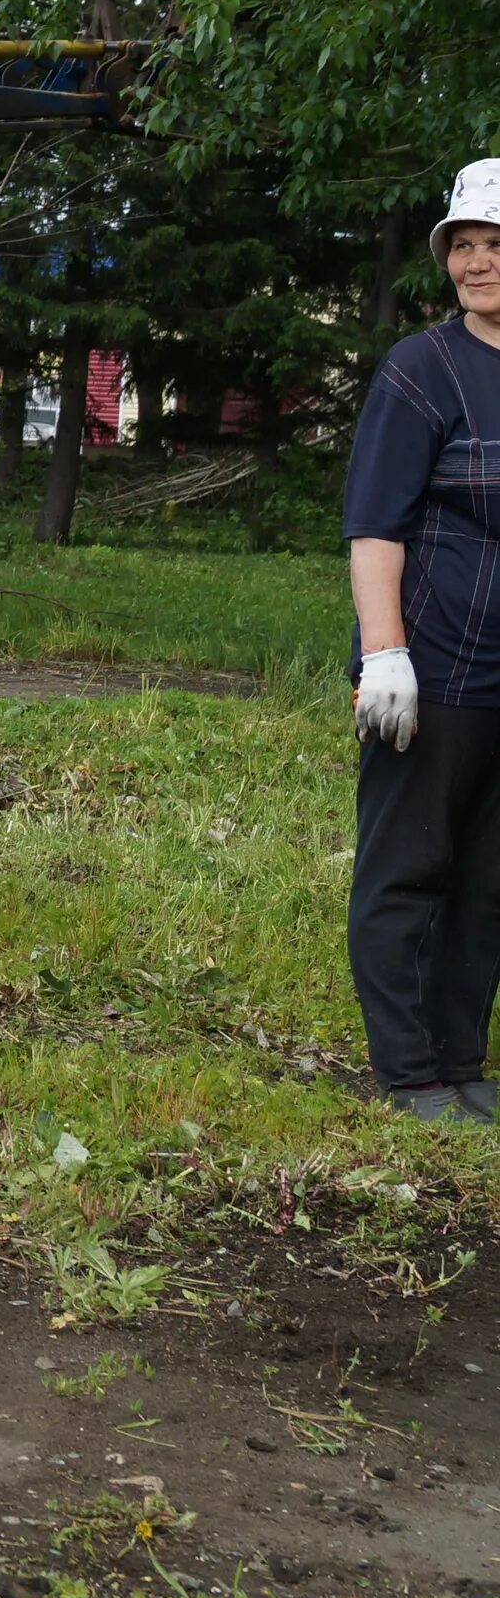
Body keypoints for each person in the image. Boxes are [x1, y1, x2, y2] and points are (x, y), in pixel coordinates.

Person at [344, 157, 500, 1126]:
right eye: (465, 247)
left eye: (495, 245)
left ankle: (461, 1059)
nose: (478, 263)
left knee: (489, 884)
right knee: (407, 868)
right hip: (430, 669)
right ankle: (407, 1072)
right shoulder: (421, 370)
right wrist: (384, 649)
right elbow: (374, 524)